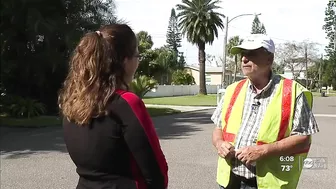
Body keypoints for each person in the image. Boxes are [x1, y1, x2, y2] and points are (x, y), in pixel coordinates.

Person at [58, 24, 168, 189]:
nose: (138, 62)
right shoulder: (127, 103)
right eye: (137, 56)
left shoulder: (73, 102)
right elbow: (156, 173)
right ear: (125, 61)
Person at [211, 34, 319, 189]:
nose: (244, 59)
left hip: (267, 183)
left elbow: (303, 138)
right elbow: (218, 128)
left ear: (269, 59)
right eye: (243, 54)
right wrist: (219, 143)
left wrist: (262, 151)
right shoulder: (232, 90)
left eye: (251, 53)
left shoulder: (293, 91)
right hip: (229, 181)